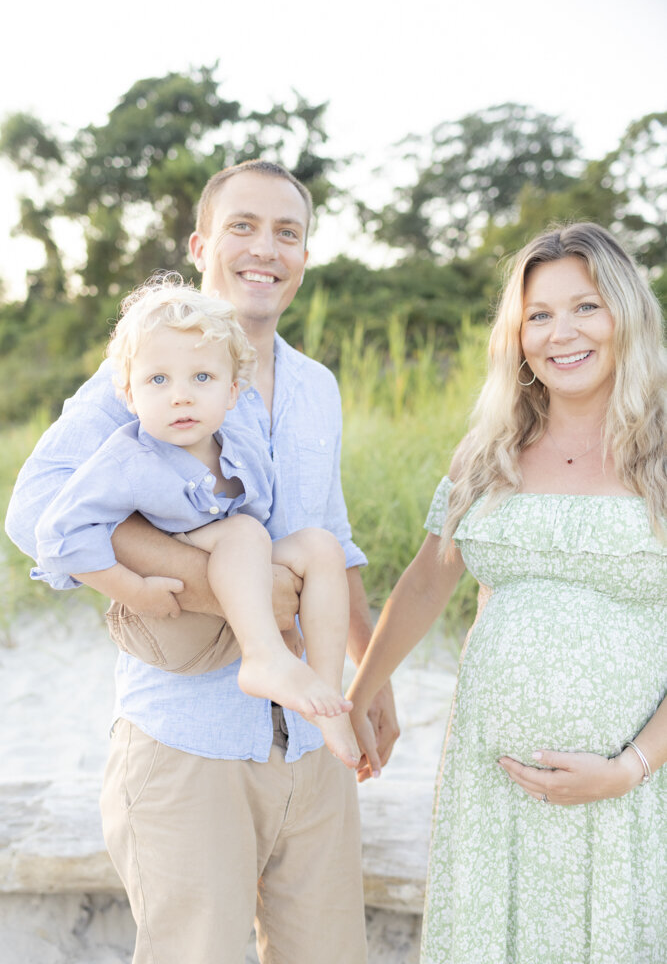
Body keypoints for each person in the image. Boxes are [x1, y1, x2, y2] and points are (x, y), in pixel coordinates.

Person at [6, 160, 399, 964]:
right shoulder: (149, 375)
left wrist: (370, 673)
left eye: (286, 232)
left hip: (310, 733)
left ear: (304, 254)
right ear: (201, 244)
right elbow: (35, 513)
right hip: (189, 739)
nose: (266, 249)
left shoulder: (317, 387)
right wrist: (213, 587)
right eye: (242, 227)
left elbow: (331, 530)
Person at [347, 222, 666, 963]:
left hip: (633, 794)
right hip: (492, 797)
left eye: (585, 307)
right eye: (539, 315)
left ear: (626, 314)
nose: (562, 333)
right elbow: (427, 581)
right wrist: (362, 692)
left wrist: (629, 768)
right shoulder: (487, 451)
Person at [32, 281, 360, 767]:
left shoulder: (240, 446)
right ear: (129, 392)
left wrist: (287, 620)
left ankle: (325, 692)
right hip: (180, 609)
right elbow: (58, 534)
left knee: (320, 545)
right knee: (243, 533)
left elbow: (267, 526)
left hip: (237, 560)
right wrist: (131, 588)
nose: (180, 397)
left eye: (201, 378)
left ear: (232, 391)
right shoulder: (126, 458)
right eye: (158, 381)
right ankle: (261, 658)